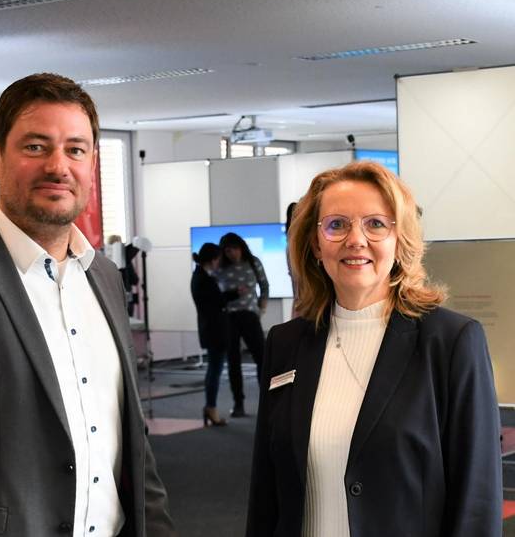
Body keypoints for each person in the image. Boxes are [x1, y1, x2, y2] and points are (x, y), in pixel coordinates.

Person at [0, 73, 176, 537]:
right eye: (36, 147)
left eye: (75, 149)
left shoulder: (105, 277)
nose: (59, 165)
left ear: (92, 162)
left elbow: (133, 446)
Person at [246, 161, 502, 537]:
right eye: (336, 224)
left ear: (400, 242)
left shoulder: (451, 342)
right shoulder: (285, 343)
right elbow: (266, 491)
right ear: (316, 244)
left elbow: (476, 498)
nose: (355, 239)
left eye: (376, 224)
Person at [217, 232, 269, 417]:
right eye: (228, 250)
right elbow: (214, 294)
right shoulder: (220, 267)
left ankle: (267, 402)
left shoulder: (253, 262)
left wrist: (262, 306)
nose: (232, 253)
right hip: (229, 317)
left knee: (262, 357)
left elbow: (264, 285)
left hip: (250, 315)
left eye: (234, 249)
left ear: (241, 247)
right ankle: (238, 402)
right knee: (233, 361)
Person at [190, 243, 239, 426]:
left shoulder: (200, 276)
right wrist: (235, 293)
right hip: (214, 331)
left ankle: (211, 407)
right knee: (215, 371)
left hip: (211, 330)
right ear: (213, 259)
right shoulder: (203, 279)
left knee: (214, 370)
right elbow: (216, 302)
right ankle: (211, 407)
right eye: (218, 258)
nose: (220, 262)